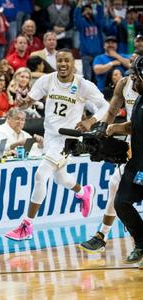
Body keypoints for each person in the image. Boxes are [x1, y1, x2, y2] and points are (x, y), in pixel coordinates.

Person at [5, 49, 109, 241]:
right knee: (60, 178)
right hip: (51, 136)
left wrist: (90, 121)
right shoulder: (47, 80)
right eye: (59, 60)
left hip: (68, 139)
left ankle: (26, 225)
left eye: (66, 60)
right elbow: (29, 102)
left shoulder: (83, 85)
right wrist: (22, 104)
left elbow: (106, 106)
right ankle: (83, 191)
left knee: (40, 175)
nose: (62, 64)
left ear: (73, 64)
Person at [79, 52, 141, 254]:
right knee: (116, 186)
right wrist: (103, 127)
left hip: (135, 136)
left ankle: (110, 236)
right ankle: (104, 236)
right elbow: (112, 110)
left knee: (120, 189)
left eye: (135, 64)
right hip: (134, 141)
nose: (131, 68)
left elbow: (136, 124)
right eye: (130, 64)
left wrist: (114, 129)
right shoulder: (124, 84)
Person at [107, 55, 143, 268]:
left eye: (136, 77)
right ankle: (141, 242)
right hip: (136, 162)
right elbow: (134, 124)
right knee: (121, 202)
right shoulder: (139, 98)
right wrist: (117, 128)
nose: (133, 82)